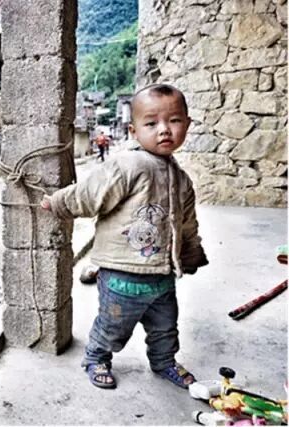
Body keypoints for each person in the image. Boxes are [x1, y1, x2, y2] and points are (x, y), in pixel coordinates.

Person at [41, 84, 208, 390]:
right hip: (121, 275)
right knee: (112, 326)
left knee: (165, 327)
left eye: (174, 120)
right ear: (134, 131)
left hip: (162, 278)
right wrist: (58, 203)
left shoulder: (182, 180)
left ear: (187, 124)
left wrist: (191, 254)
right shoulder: (127, 165)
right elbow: (90, 194)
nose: (164, 129)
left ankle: (164, 361)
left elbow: (187, 224)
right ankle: (96, 357)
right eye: (151, 123)